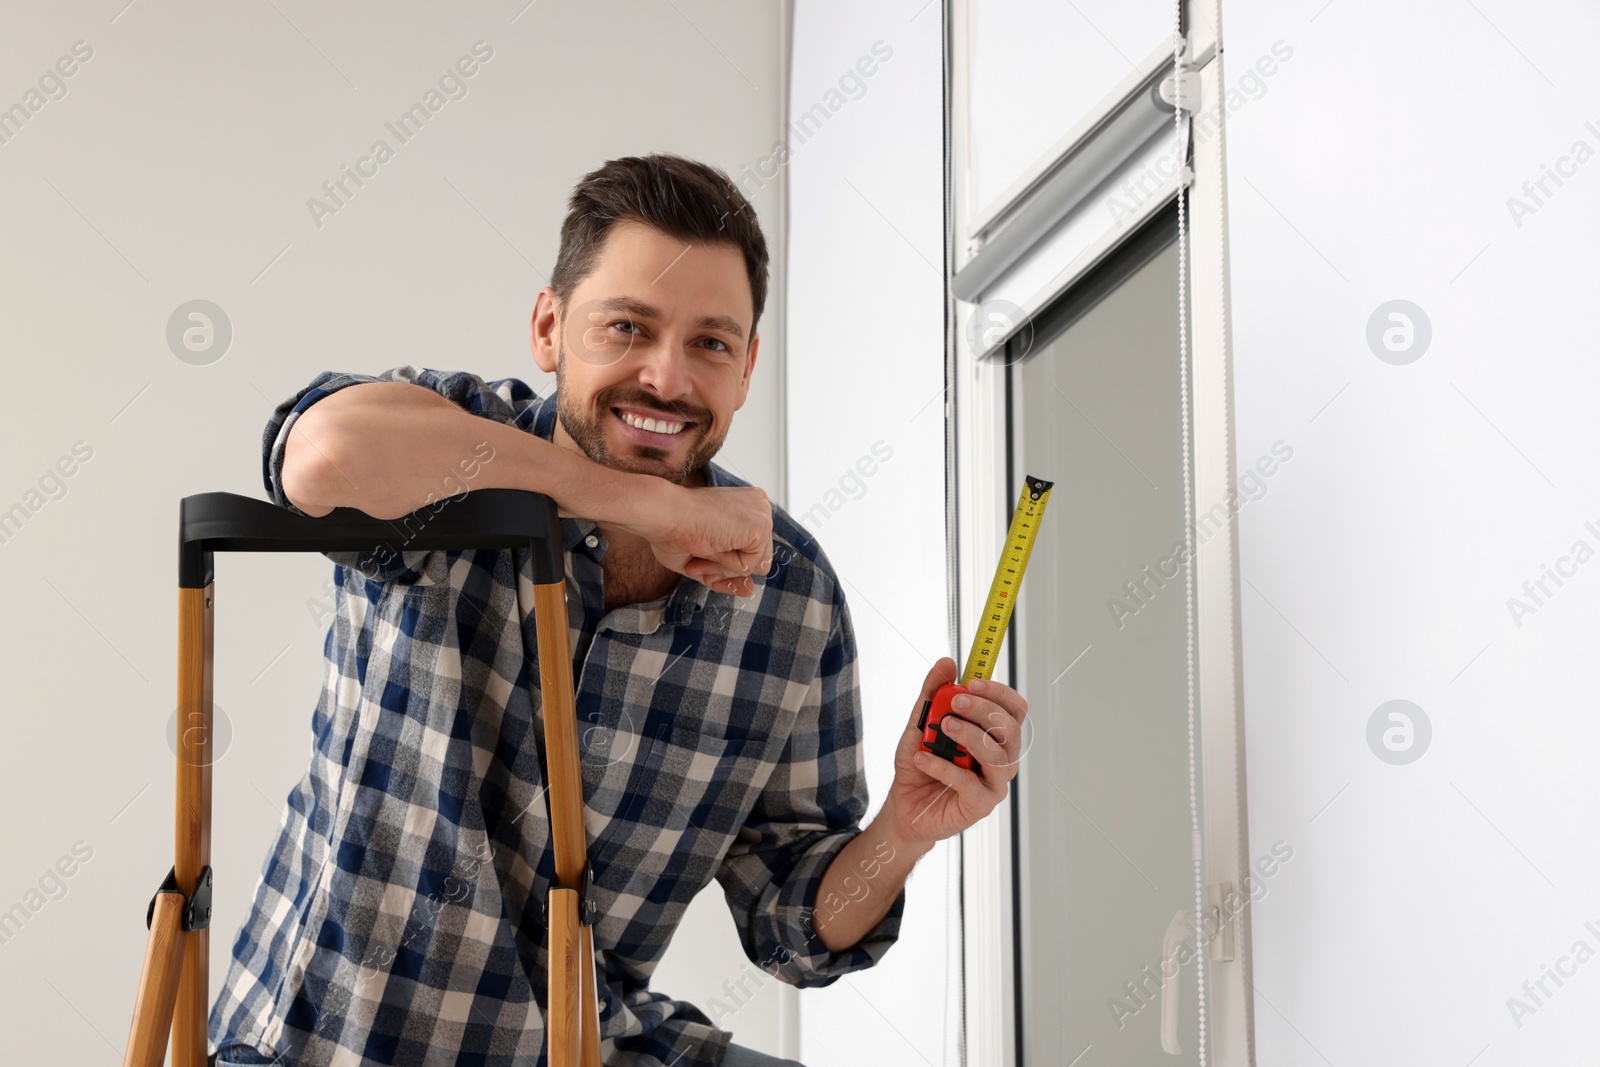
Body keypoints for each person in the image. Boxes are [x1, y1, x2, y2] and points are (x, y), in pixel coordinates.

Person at [207, 153, 1028, 1067]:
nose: (668, 380)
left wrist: (902, 831)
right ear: (550, 328)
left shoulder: (790, 594)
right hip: (332, 1044)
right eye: (627, 327)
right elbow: (317, 460)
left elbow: (793, 922)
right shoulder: (455, 446)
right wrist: (646, 503)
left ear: (749, 366)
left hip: (583, 1041)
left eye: (711, 344)